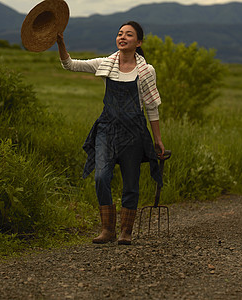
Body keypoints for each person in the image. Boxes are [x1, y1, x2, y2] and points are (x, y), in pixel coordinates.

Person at [57, 21, 165, 245]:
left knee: (131, 183)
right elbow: (69, 64)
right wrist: (61, 42)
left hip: (134, 132)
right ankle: (107, 229)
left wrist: (158, 140)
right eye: (119, 34)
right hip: (107, 129)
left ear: (139, 42)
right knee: (101, 176)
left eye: (128, 35)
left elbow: (152, 106)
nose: (122, 37)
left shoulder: (146, 71)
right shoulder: (106, 63)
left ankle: (126, 231)